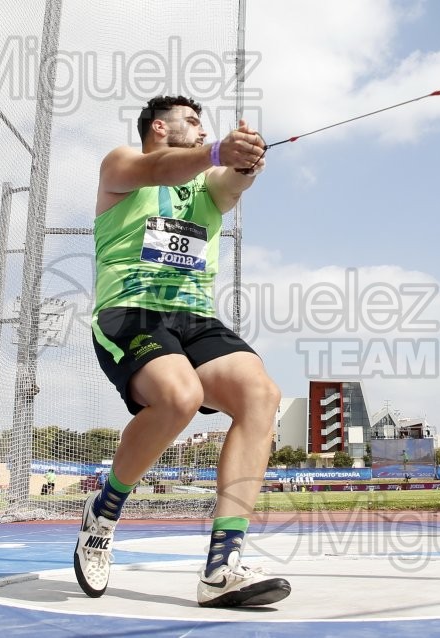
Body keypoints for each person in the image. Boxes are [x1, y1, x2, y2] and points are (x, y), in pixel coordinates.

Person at [74, 95, 289, 608]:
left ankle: (222, 567)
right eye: (191, 122)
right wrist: (218, 149)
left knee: (261, 395)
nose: (199, 129)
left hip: (193, 317)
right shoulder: (122, 164)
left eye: (203, 126)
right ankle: (104, 509)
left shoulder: (205, 183)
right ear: (157, 128)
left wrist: (245, 162)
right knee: (179, 397)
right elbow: (161, 167)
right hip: (130, 312)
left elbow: (230, 181)